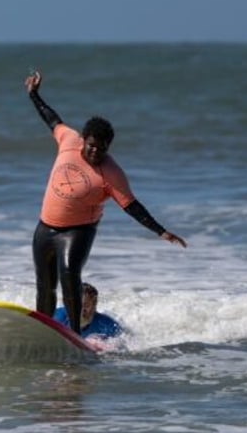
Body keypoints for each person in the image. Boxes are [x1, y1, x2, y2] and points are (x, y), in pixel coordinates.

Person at [25, 69, 187, 333]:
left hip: (78, 232)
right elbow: (52, 119)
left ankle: (73, 335)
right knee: (45, 286)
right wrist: (34, 95)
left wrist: (161, 231)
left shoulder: (111, 173)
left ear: (108, 147)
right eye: (91, 145)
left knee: (69, 278)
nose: (95, 151)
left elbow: (132, 206)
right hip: (45, 227)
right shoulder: (69, 141)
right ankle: (43, 333)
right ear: (83, 141)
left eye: (101, 148)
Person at [53, 282, 121, 339]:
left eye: (86, 305)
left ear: (94, 306)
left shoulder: (108, 326)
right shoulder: (57, 316)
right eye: (77, 305)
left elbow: (123, 345)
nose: (81, 310)